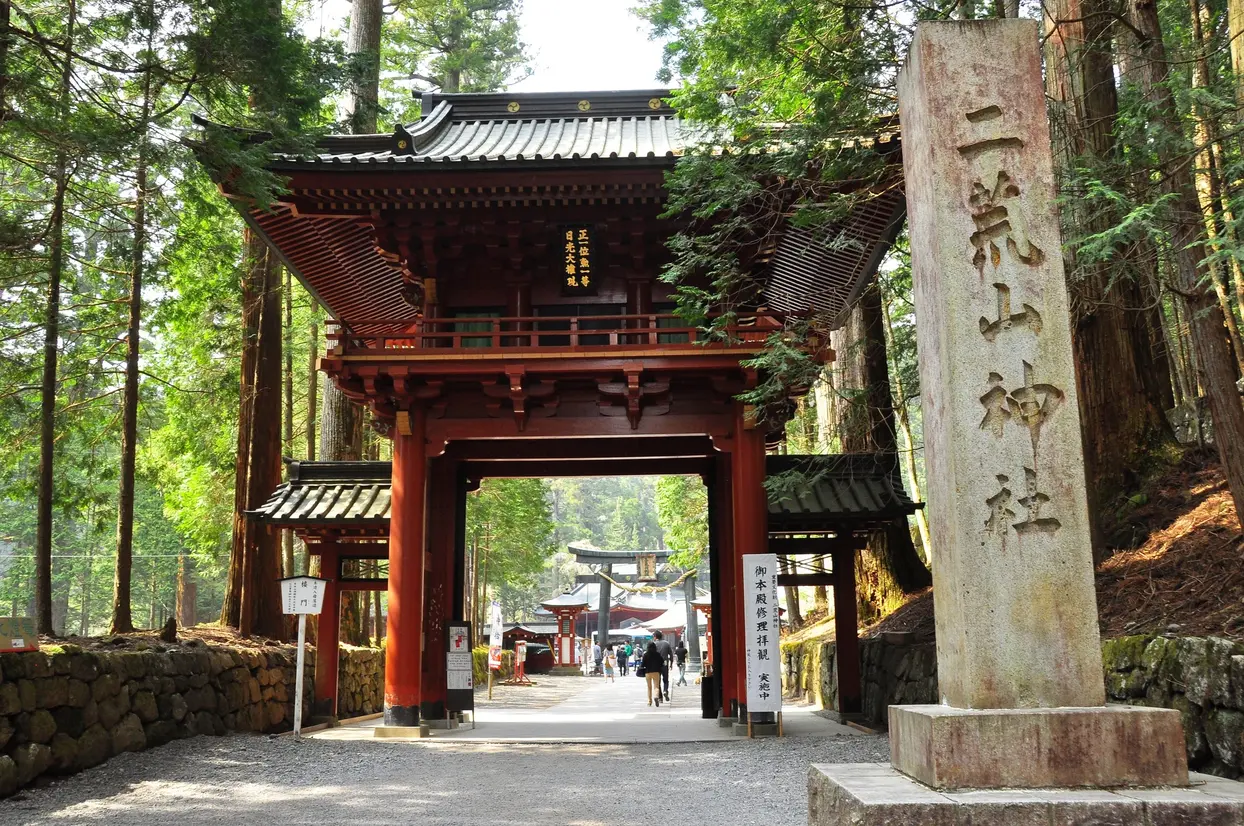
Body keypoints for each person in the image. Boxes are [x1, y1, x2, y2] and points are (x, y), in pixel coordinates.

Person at [641, 642, 664, 706]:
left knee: (649, 687)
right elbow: (662, 662)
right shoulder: (657, 654)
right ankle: (656, 696)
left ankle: (649, 701)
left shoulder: (646, 655)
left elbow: (643, 664)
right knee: (656, 686)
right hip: (656, 672)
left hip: (648, 673)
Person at [653, 630, 673, 702]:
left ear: (655, 637)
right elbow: (671, 654)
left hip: (656, 664)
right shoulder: (666, 643)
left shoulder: (654, 644)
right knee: (665, 679)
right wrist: (671, 663)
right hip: (665, 663)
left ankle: (660, 697)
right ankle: (665, 690)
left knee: (657, 681)